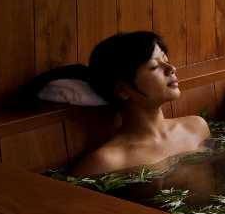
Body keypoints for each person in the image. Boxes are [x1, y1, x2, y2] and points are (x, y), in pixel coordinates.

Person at [65, 31, 211, 176]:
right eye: (154, 66)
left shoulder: (196, 128)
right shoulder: (107, 162)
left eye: (166, 60)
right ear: (122, 90)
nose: (171, 68)